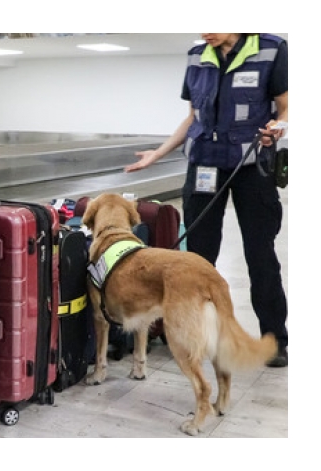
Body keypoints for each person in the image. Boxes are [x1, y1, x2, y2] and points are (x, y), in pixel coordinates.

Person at [124, 33, 288, 367]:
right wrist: (158, 153)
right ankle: (192, 335)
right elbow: (193, 117)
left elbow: (286, 104)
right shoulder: (197, 56)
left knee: (261, 256)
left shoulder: (271, 49)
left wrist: (280, 125)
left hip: (251, 165)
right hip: (204, 165)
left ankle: (275, 340)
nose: (204, 32)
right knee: (196, 259)